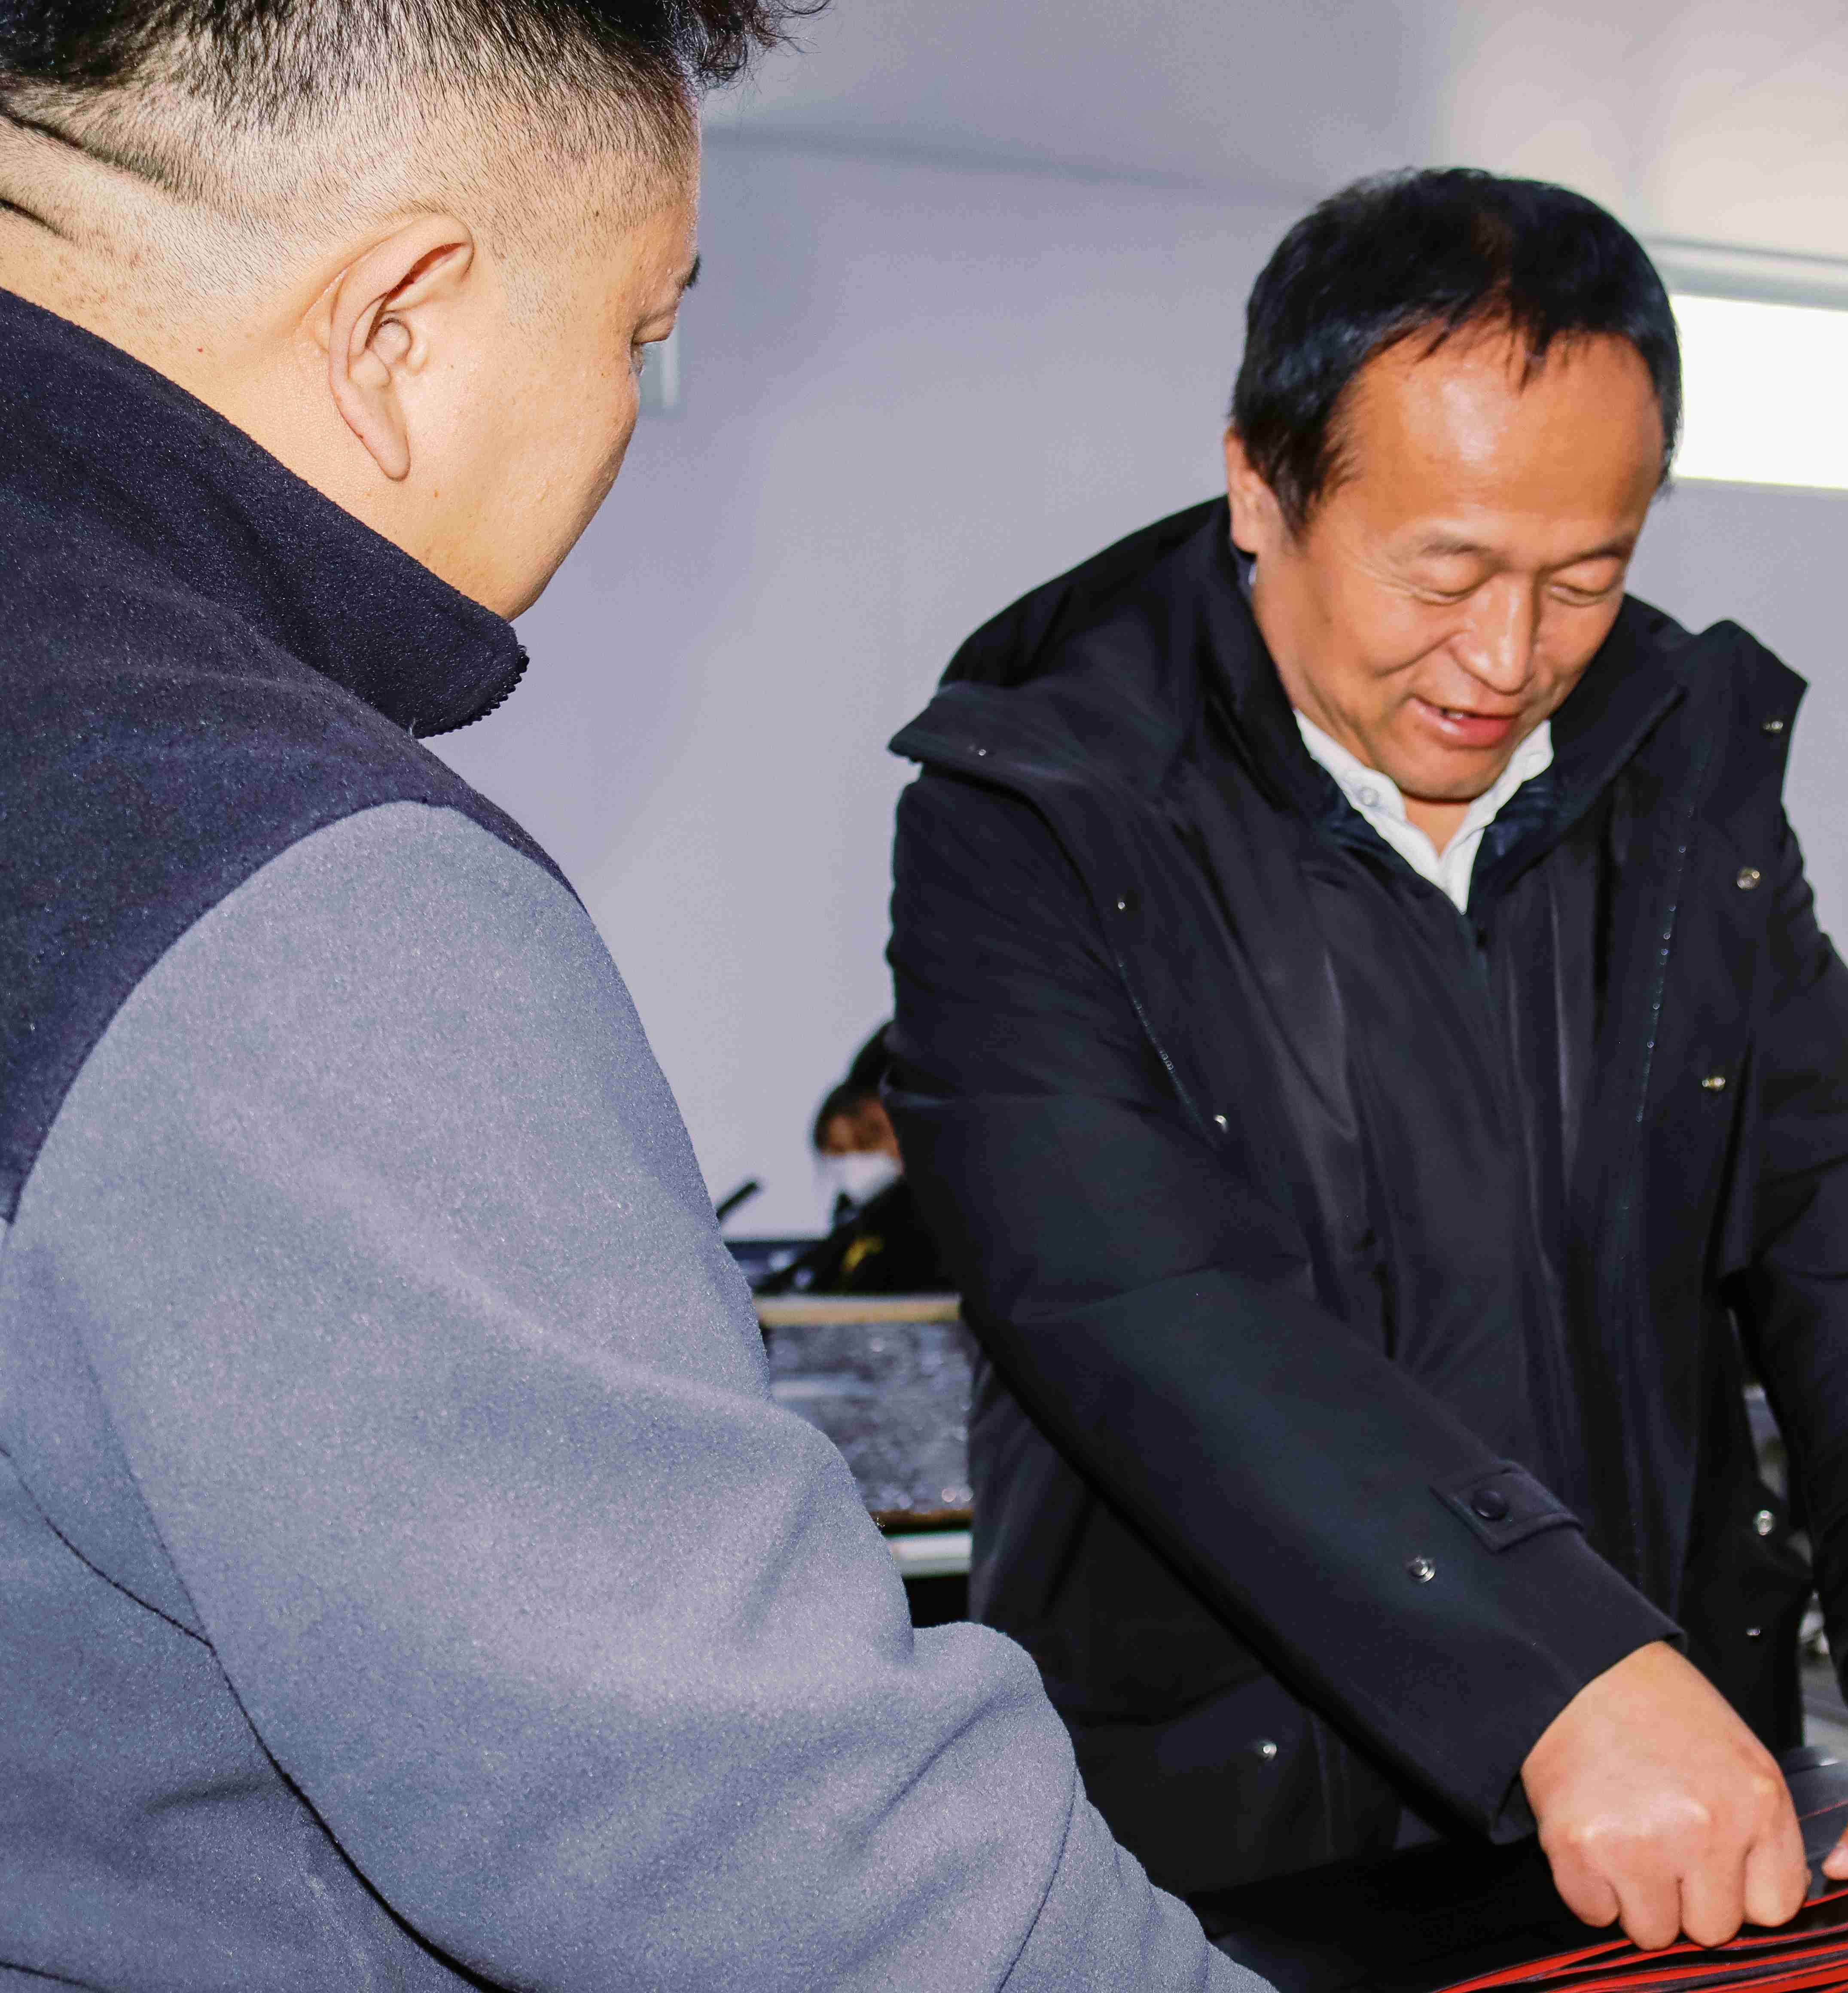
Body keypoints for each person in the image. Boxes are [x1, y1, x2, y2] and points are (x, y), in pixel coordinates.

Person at [0, 5, 1257, 1987]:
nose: (628, 409)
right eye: (638, 333)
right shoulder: (300, 898)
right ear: (399, 323)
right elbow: (769, 1846)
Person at [885, 168, 1848, 1952]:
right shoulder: (1039, 804)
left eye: (1587, 579)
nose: (1507, 659)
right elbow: (1136, 1298)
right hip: (1230, 1828)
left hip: (1671, 1783)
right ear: (1261, 488)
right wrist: (1551, 1662)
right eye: (1445, 572)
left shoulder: (1676, 771)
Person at [762, 1024, 949, 1295]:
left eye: (869, 1139)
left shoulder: (938, 1224)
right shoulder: (852, 1229)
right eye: (838, 1151)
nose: (856, 1159)